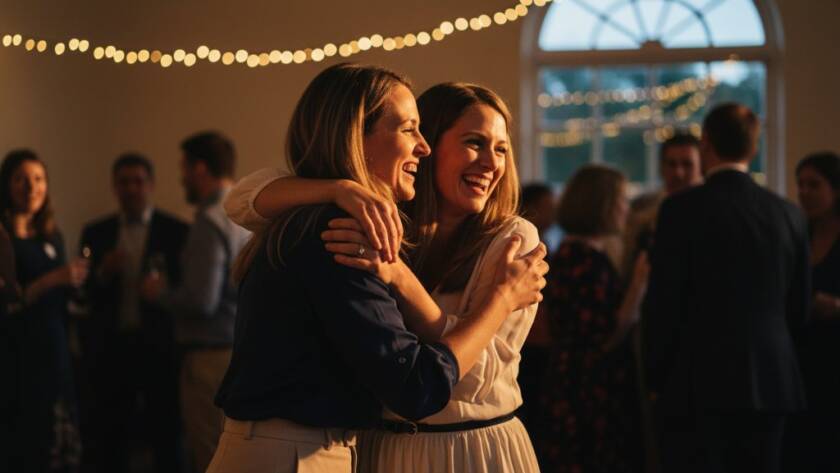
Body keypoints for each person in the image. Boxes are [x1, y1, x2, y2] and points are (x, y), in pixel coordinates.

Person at [209, 64, 548, 473]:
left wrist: (400, 276)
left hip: (462, 449)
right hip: (325, 451)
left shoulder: (510, 239)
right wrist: (340, 187)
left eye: (502, 149)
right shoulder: (364, 226)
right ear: (358, 136)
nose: (420, 147)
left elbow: (474, 381)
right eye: (410, 130)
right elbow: (417, 386)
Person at [642, 103, 809, 473]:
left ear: (707, 144)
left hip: (697, 378)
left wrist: (655, 376)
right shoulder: (789, 213)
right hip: (773, 376)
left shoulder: (680, 210)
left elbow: (664, 302)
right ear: (753, 147)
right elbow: (798, 308)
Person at [141, 132, 251, 473]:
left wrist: (156, 292)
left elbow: (202, 300)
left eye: (184, 168)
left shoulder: (209, 220)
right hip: (239, 351)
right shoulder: (245, 215)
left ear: (200, 169)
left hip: (207, 359)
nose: (181, 177)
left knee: (208, 455)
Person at [78, 153, 188, 473]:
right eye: (124, 182)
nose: (131, 189)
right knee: (111, 436)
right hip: (112, 348)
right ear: (115, 186)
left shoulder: (176, 231)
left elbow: (186, 289)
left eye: (138, 181)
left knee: (166, 434)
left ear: (150, 185)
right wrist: (102, 273)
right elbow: (82, 291)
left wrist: (164, 288)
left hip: (159, 346)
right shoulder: (96, 232)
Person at [538, 164, 648, 473]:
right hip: (587, 391)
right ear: (602, 204)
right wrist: (638, 284)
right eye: (621, 200)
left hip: (577, 384)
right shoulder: (583, 261)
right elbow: (605, 338)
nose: (626, 208)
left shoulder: (577, 255)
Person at [0, 150, 89, 472]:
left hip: (55, 349)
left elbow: (64, 295)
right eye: (21, 179)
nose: (31, 187)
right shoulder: (3, 238)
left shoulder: (52, 235)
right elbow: (8, 302)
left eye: (38, 179)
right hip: (17, 353)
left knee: (59, 443)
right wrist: (53, 279)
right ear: (7, 185)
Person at [784, 151, 840, 472]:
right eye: (800, 185)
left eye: (814, 185)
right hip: (802, 356)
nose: (804, 192)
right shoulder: (797, 235)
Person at [622, 132, 702, 277]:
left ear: (701, 167)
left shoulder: (712, 210)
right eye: (671, 164)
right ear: (661, 167)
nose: (678, 173)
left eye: (687, 164)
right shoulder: (641, 208)